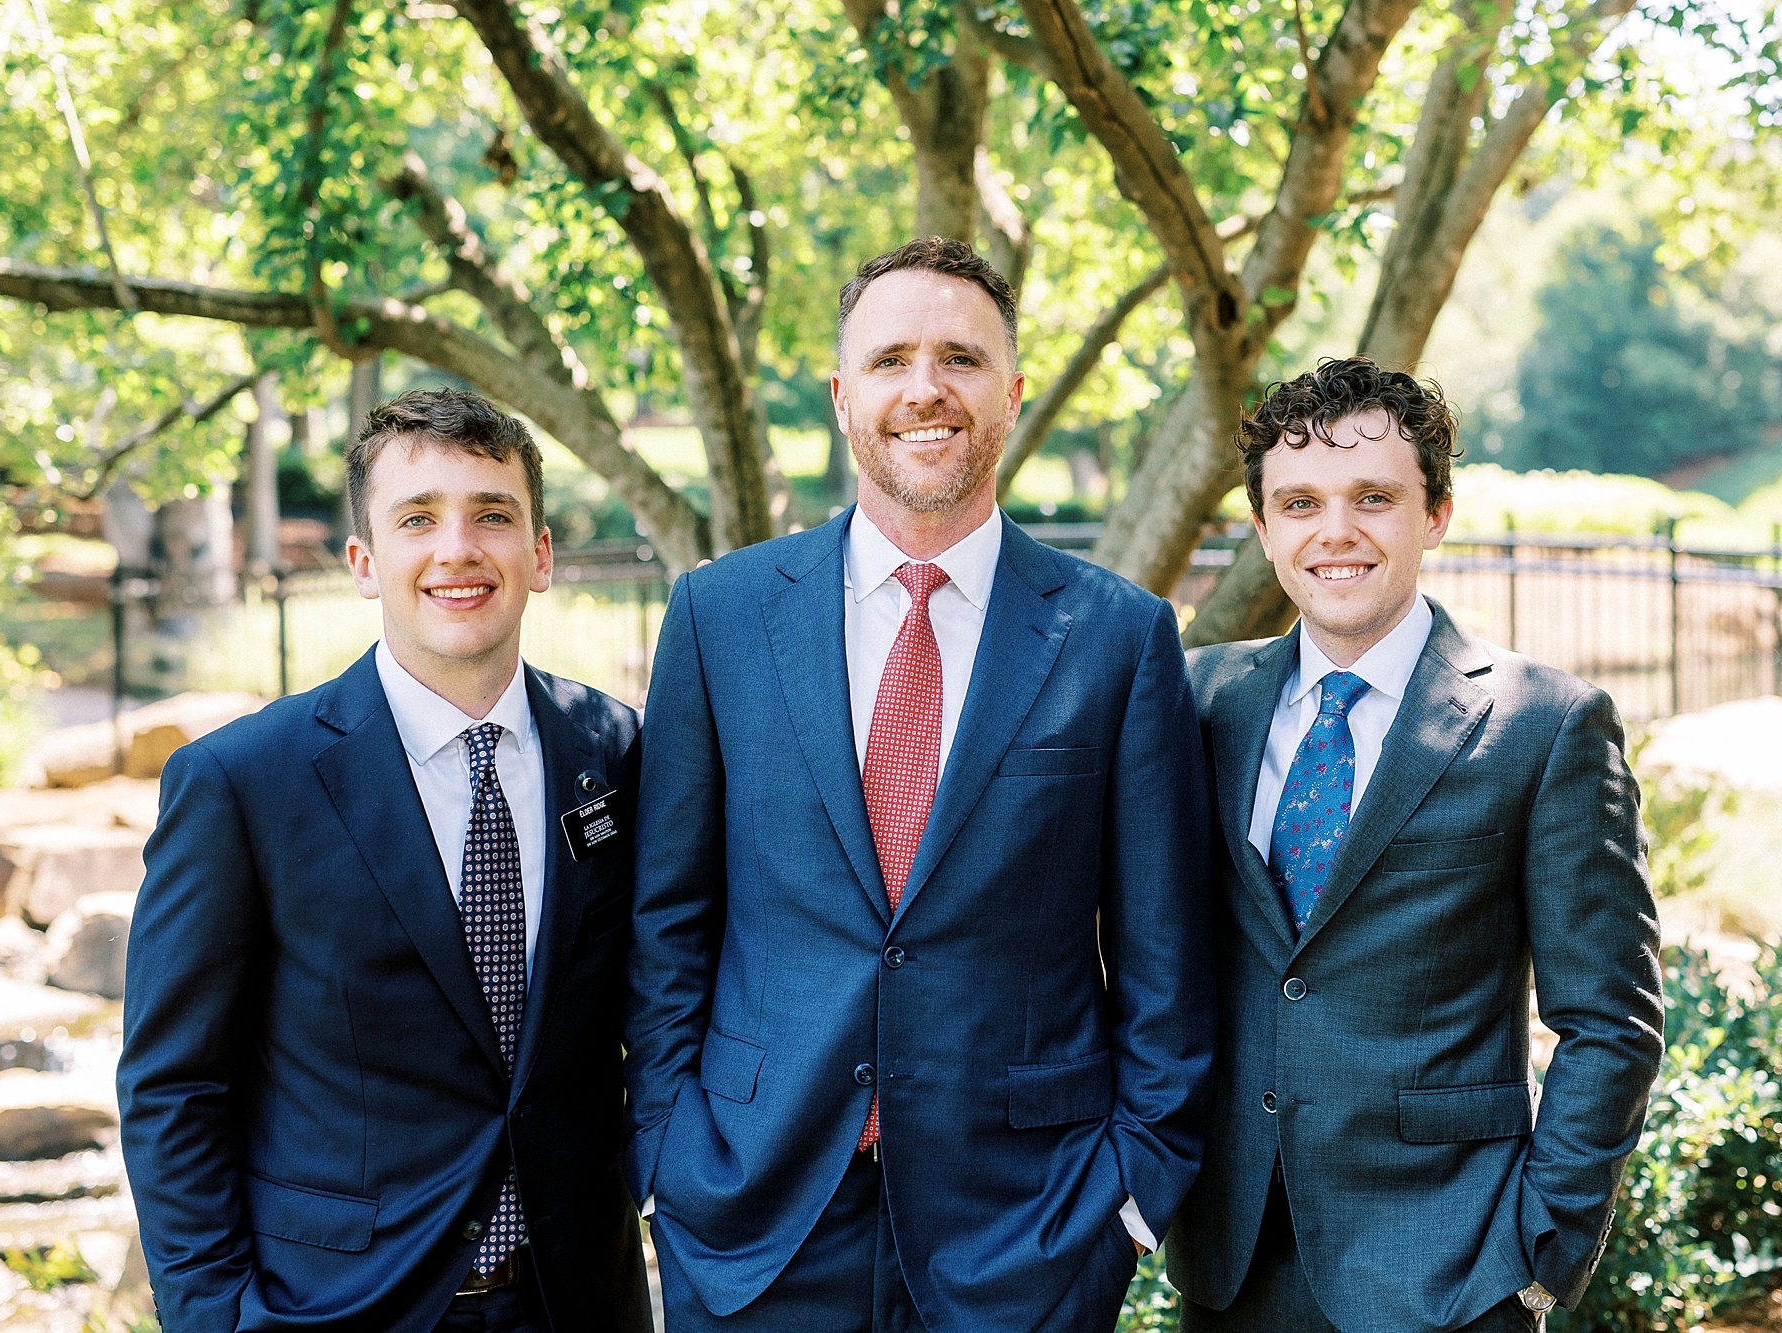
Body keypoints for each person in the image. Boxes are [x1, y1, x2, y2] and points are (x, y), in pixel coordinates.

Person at [624, 237, 1213, 1333]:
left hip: (1028, 1226)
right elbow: (668, 919)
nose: (924, 388)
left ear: (1013, 393)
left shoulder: (1117, 638)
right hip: (753, 1213)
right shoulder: (719, 616)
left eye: (961, 357)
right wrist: (665, 1152)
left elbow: (1163, 956)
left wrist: (1128, 1201)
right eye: (890, 359)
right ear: (844, 398)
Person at [118, 389, 653, 1333]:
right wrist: (211, 1317)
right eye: (418, 519)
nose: (458, 549)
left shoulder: (612, 750)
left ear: (541, 554)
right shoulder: (242, 784)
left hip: (578, 1302)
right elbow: (173, 1087)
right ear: (365, 562)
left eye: (493, 514)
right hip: (337, 1309)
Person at [1165, 357, 1665, 1332]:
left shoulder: (1544, 725)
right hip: (1230, 1267)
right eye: (1299, 501)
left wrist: (1535, 1253)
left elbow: (1610, 1020)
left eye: (1372, 497)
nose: (1334, 530)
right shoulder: (1193, 701)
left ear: (1433, 512)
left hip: (1453, 1270)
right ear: (1262, 528)